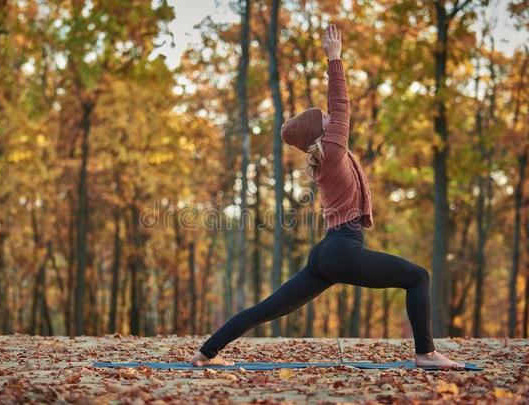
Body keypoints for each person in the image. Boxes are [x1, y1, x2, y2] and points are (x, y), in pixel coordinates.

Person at [191, 24, 464, 369]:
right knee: (417, 276)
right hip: (342, 250)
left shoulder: (329, 158)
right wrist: (334, 60)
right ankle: (425, 354)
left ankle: (205, 353)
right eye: (324, 118)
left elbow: (337, 112)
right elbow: (342, 104)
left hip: (329, 253)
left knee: (268, 308)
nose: (330, 115)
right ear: (322, 131)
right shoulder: (332, 152)